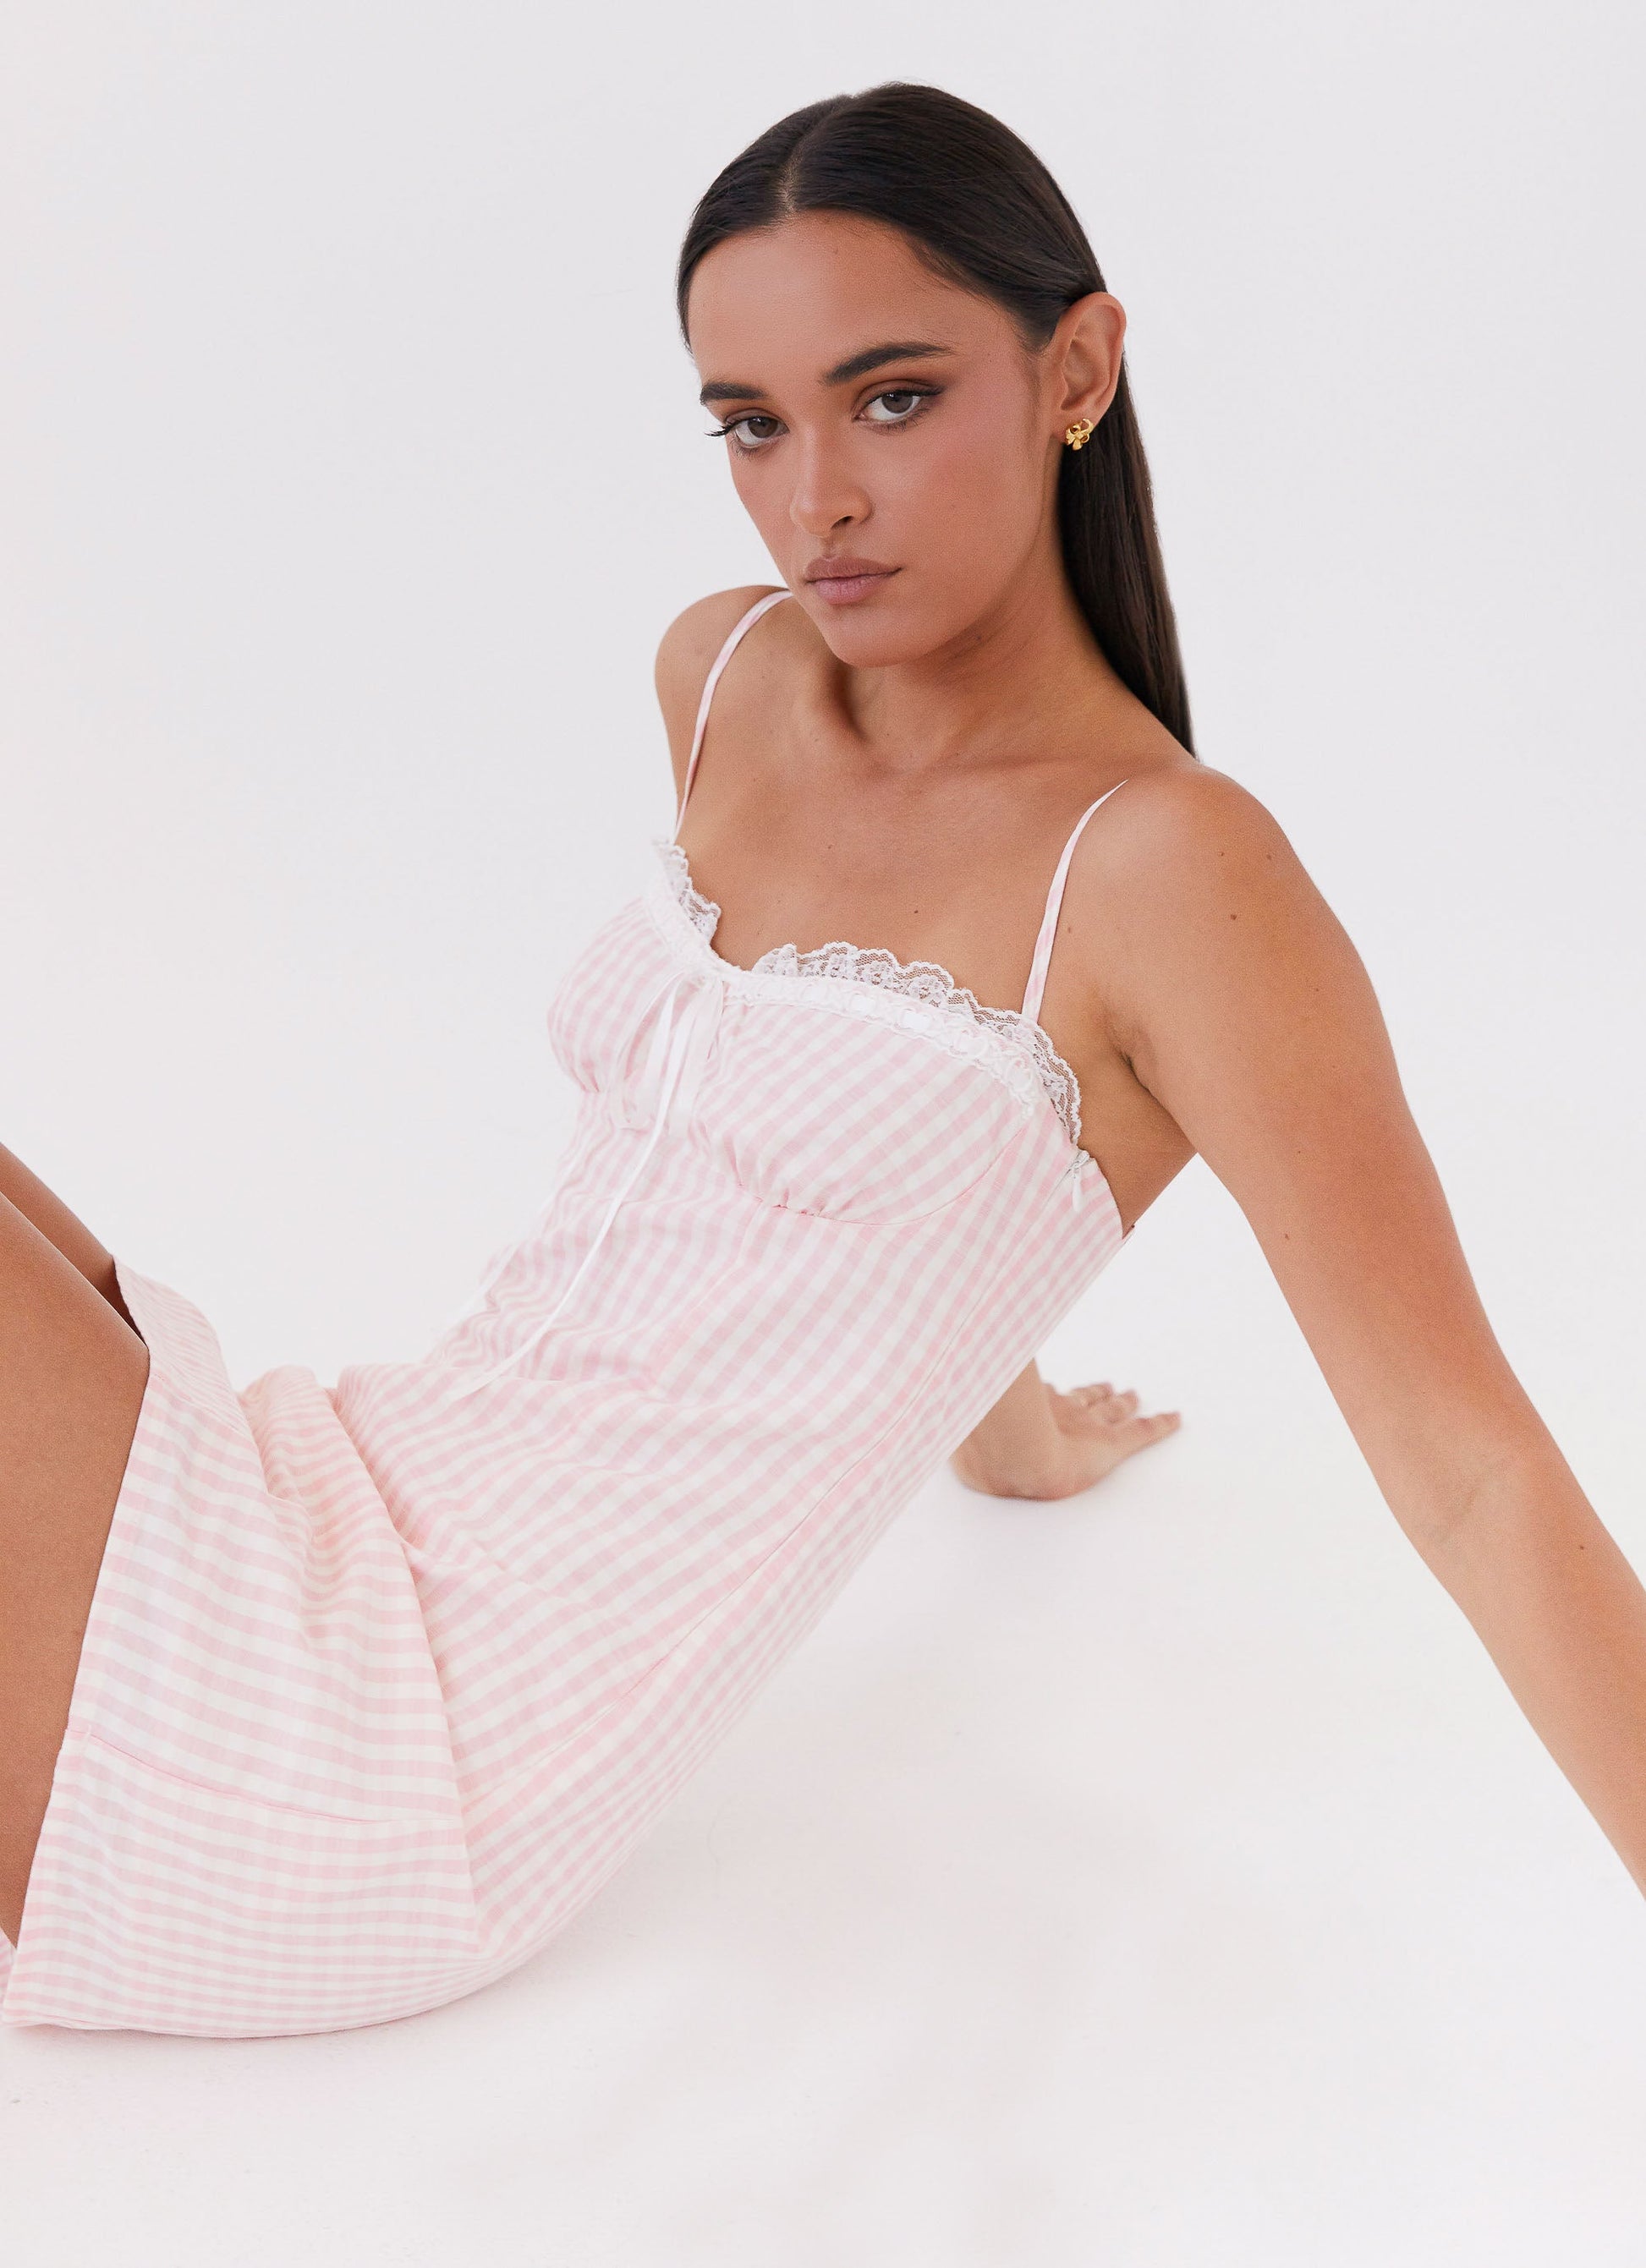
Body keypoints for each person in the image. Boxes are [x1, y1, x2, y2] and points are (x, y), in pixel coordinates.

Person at [3, 81, 1643, 2041]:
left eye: (892, 399)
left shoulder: (1167, 875)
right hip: (328, 1487)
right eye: (751, 426)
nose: (815, 503)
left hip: (387, 1761)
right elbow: (836, 1145)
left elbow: (1472, 1476)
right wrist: (1008, 1428)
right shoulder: (727, 675)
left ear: (1076, 370)